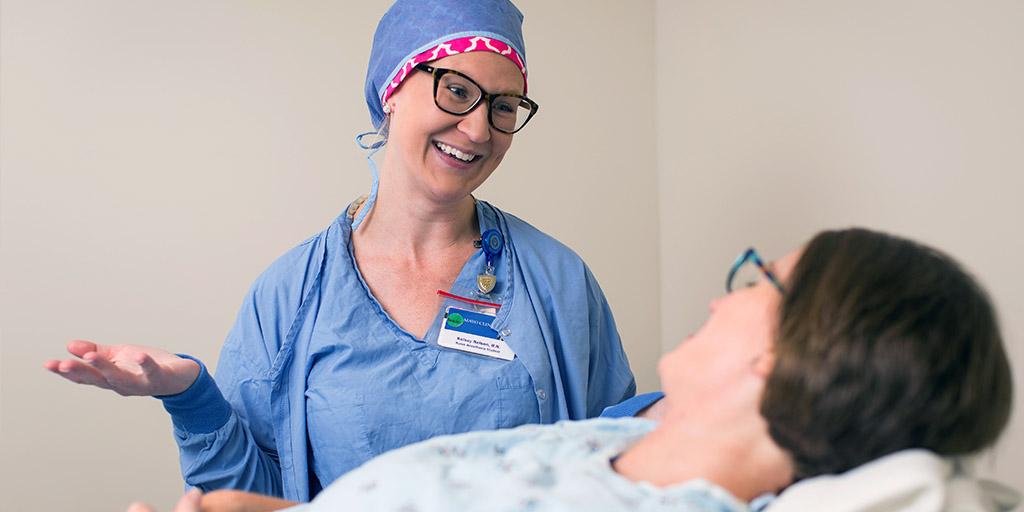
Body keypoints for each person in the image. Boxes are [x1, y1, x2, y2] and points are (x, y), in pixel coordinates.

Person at [44, 0, 636, 502]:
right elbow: (260, 502)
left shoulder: (557, 281)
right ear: (393, 90)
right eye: (457, 90)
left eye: (503, 107)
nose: (479, 129)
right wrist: (191, 398)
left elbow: (620, 470)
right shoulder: (290, 294)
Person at [131, 227, 1013, 512]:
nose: (719, 295)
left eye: (757, 279)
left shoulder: (554, 282)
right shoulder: (625, 438)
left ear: (780, 353)